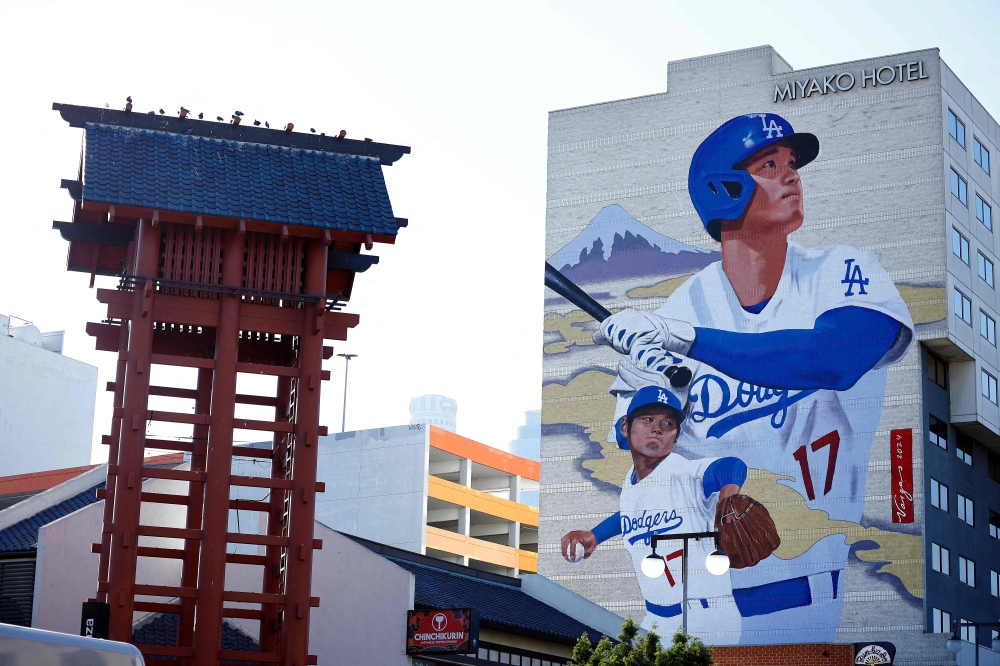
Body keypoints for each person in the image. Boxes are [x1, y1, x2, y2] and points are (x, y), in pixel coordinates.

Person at [588, 113, 914, 643]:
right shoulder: (678, 310)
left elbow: (835, 356)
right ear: (724, 188)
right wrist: (640, 375)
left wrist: (688, 341)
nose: (792, 175)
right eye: (770, 165)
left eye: (792, 164)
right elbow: (644, 461)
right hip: (695, 597)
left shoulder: (842, 270)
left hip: (807, 586)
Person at [561, 385, 747, 642]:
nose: (657, 428)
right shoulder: (632, 481)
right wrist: (595, 535)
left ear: (676, 436)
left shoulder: (684, 473)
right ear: (626, 427)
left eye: (668, 423)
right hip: (656, 619)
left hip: (705, 616)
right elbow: (628, 515)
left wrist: (728, 504)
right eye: (647, 419)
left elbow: (731, 467)